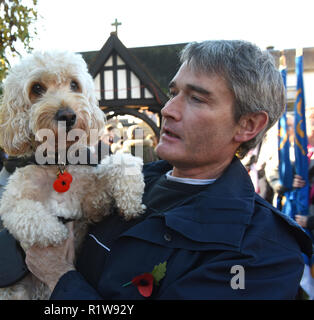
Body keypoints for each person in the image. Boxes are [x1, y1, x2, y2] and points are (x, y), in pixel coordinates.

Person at [24, 40, 313, 299]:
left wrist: (60, 278)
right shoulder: (122, 180)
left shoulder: (263, 253)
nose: (168, 109)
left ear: (247, 125)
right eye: (173, 92)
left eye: (197, 98)